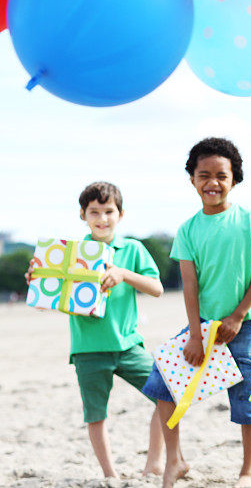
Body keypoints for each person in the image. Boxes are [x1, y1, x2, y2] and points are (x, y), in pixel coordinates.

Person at [141, 137, 251, 488]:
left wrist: (238, 315)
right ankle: (175, 459)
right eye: (204, 174)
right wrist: (196, 334)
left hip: (248, 322)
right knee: (162, 382)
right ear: (193, 179)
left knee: (247, 399)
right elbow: (190, 287)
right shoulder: (187, 230)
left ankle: (248, 470)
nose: (213, 182)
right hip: (202, 325)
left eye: (221, 175)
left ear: (235, 179)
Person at [26, 181, 165, 479]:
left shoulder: (133, 249)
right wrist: (37, 280)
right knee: (96, 415)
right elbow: (43, 302)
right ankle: (110, 475)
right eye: (94, 212)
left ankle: (153, 464)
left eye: (108, 211)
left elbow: (157, 288)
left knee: (167, 397)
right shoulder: (69, 253)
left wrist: (124, 274)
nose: (102, 218)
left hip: (129, 346)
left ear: (121, 214)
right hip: (88, 350)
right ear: (82, 215)